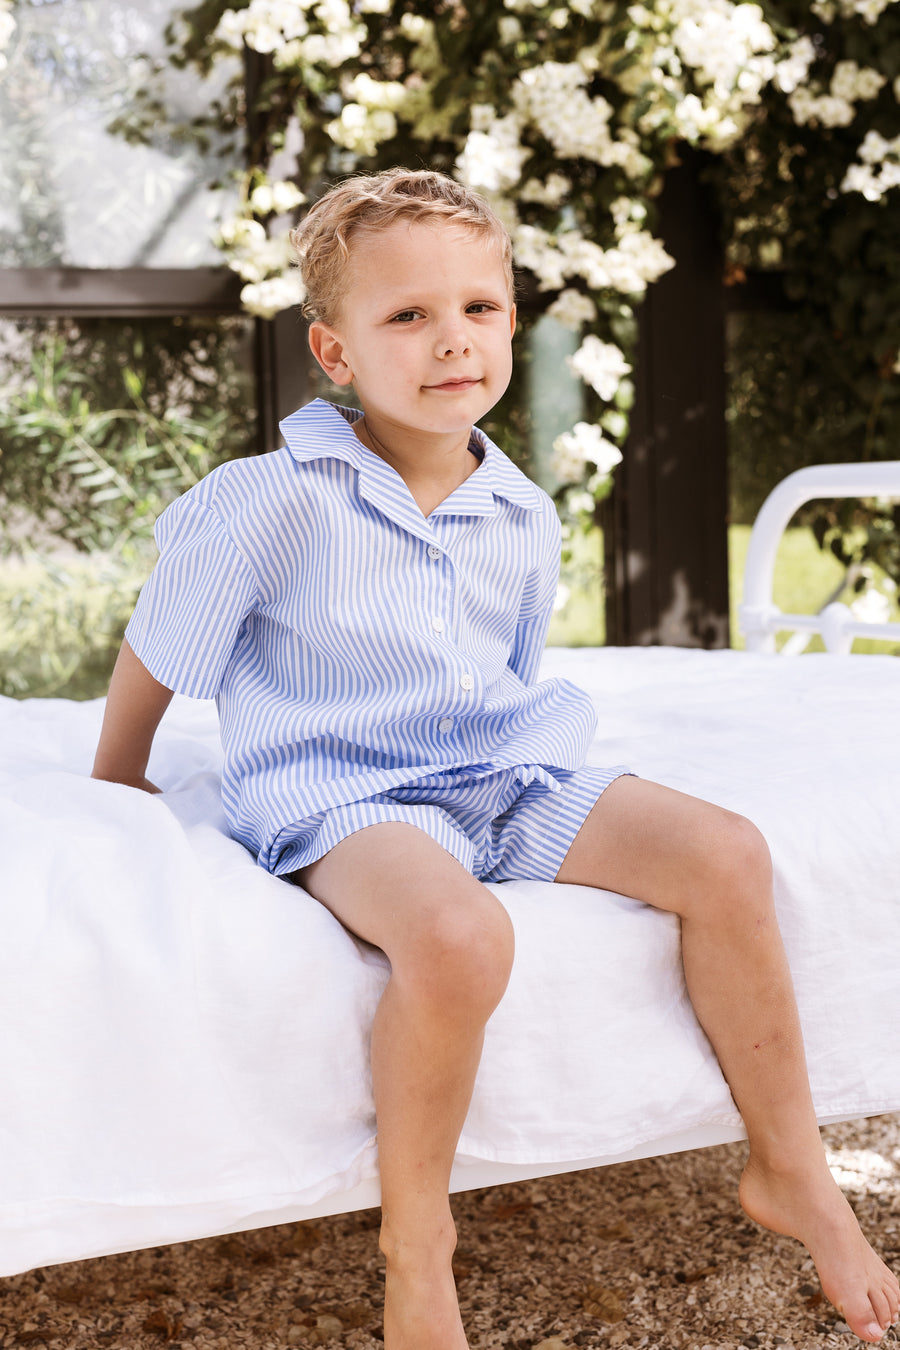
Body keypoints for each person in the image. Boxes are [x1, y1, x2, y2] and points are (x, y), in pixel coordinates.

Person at [92, 168, 898, 1350]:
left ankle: (794, 1171)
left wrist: (543, 793)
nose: (450, 340)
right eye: (406, 316)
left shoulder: (518, 509)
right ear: (335, 350)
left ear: (513, 323)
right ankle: (418, 1248)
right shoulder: (270, 500)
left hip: (499, 773)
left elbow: (504, 673)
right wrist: (117, 785)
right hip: (347, 789)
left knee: (727, 853)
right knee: (464, 935)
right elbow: (157, 651)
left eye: (478, 308)